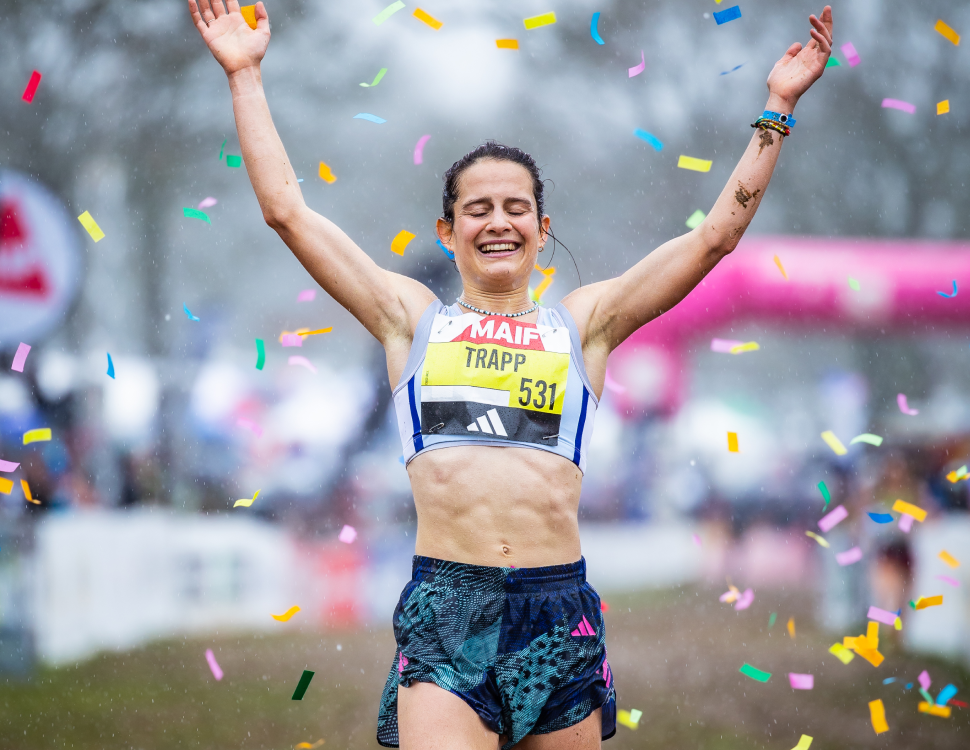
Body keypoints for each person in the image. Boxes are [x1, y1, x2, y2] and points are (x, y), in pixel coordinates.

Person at [186, 2, 834, 747]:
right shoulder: (410, 320)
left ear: (542, 229)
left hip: (558, 613)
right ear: (447, 231)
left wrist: (777, 106)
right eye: (479, 209)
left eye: (516, 208)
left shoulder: (585, 324)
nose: (498, 221)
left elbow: (715, 237)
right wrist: (245, 76)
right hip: (447, 609)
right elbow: (287, 213)